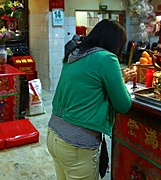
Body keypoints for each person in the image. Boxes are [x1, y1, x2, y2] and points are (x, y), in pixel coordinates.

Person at [47, 19, 136, 180]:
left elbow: (87, 85)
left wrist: (119, 78)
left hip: (53, 134)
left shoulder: (75, 53)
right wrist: (121, 81)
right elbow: (123, 104)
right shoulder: (106, 58)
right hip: (76, 144)